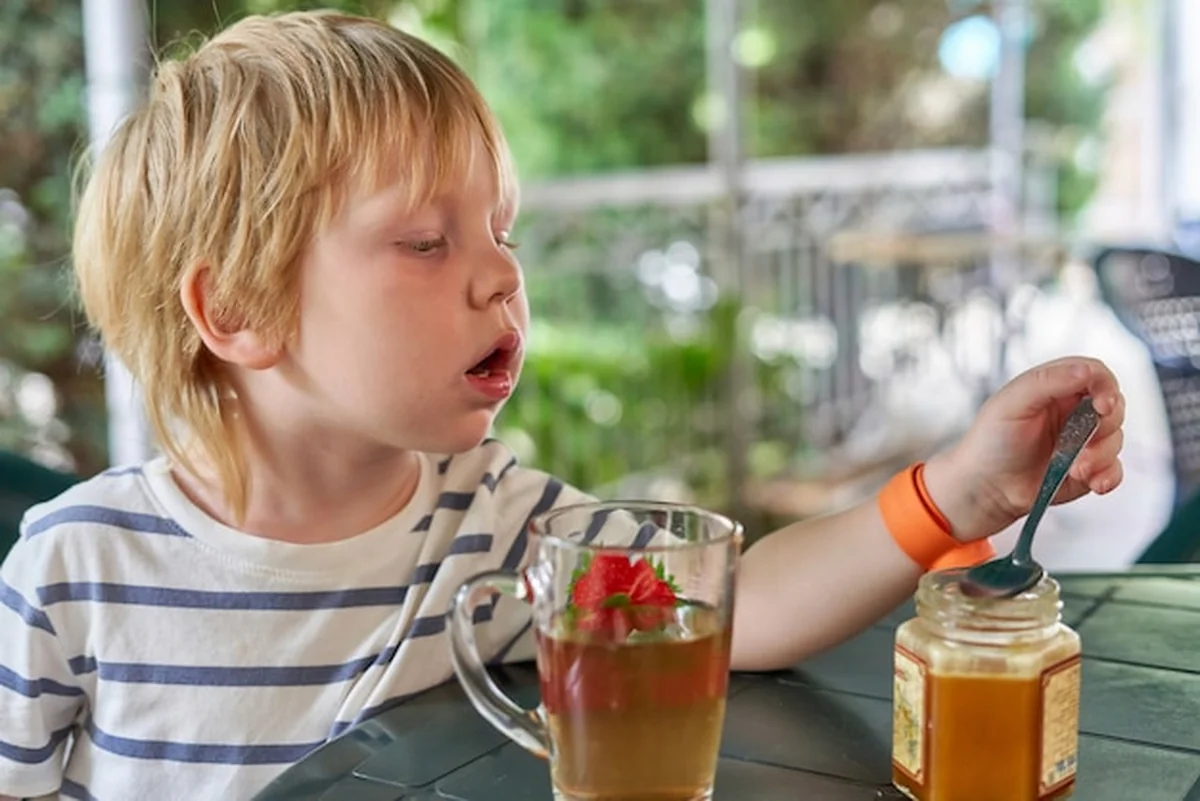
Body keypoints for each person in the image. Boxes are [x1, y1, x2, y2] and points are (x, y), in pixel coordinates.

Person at [0, 10, 1126, 801]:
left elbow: (744, 610)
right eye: (428, 242)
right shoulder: (75, 574)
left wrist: (955, 491)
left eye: (504, 233)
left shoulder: (500, 521)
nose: (499, 277)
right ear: (238, 308)